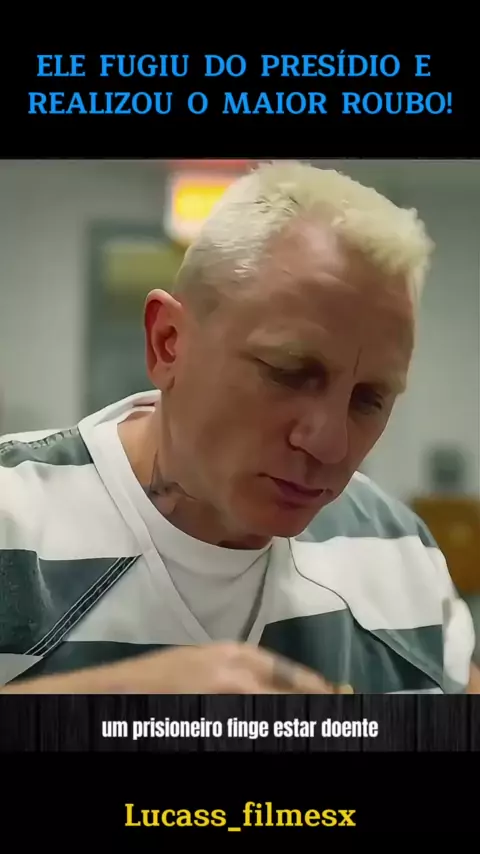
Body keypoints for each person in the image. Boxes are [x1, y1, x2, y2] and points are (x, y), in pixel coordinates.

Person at [0, 161, 477, 695]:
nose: (330, 445)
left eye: (369, 400)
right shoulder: (12, 517)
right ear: (168, 343)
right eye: (288, 372)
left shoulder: (398, 551)